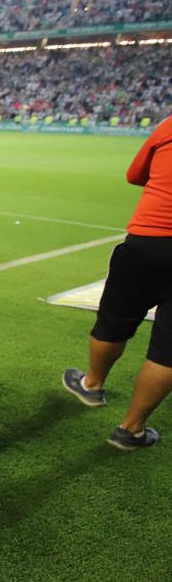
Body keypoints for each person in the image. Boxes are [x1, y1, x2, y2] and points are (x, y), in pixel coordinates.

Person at [63, 114, 172, 449]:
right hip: (152, 237)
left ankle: (92, 385)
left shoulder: (168, 125)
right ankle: (131, 429)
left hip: (147, 239)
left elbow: (135, 174)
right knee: (168, 351)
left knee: (114, 321)